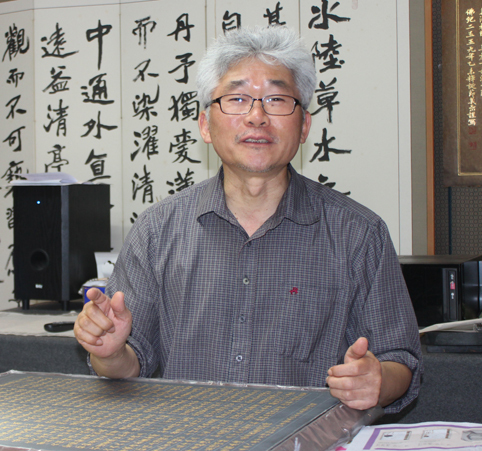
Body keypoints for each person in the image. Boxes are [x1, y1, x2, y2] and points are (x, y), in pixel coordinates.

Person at [74, 25, 423, 413]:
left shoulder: (358, 233)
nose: (257, 116)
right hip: (188, 435)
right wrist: (110, 352)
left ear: (304, 126)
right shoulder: (158, 230)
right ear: (205, 125)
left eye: (277, 99)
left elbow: (401, 361)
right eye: (237, 98)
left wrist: (377, 381)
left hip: (310, 439)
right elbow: (128, 365)